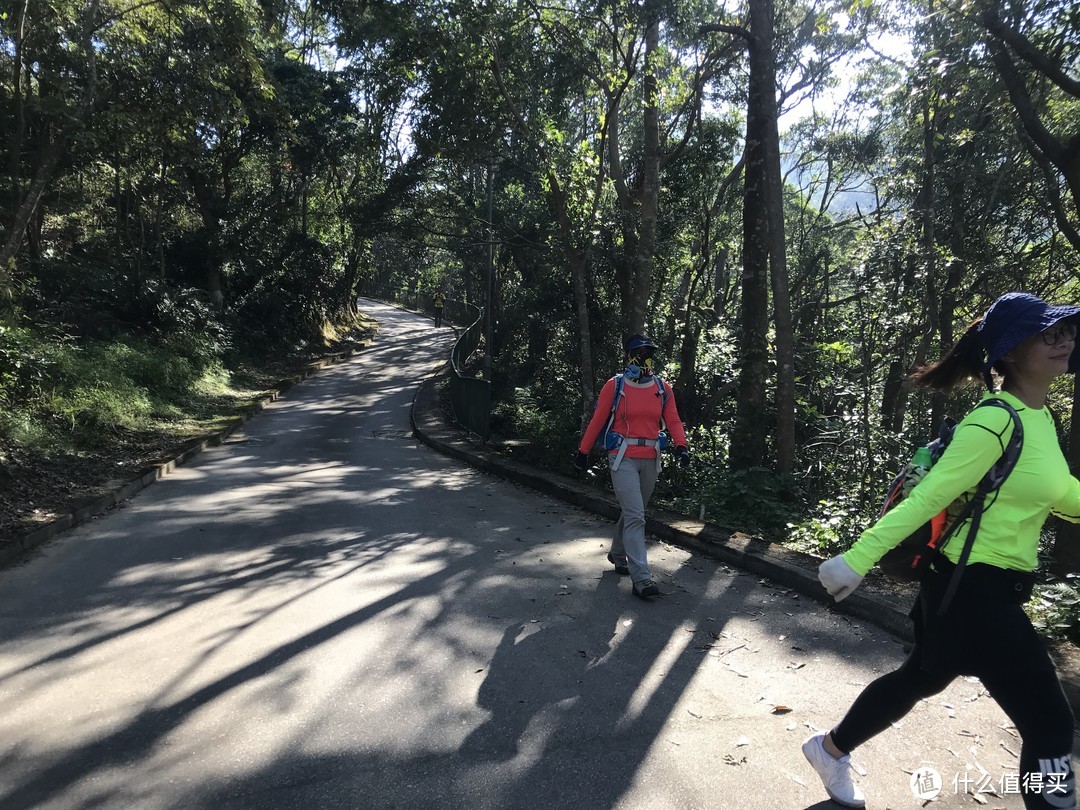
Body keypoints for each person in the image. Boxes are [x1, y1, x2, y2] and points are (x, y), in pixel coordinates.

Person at [803, 292, 1080, 809]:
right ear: (1011, 351)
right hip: (972, 590)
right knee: (1050, 723)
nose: (1063, 339)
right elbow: (933, 497)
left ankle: (828, 748)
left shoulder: (1040, 420)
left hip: (977, 589)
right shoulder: (994, 420)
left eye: (1066, 330)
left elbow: (1061, 493)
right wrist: (857, 559)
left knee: (923, 678)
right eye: (1048, 332)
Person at [574, 334, 691, 600]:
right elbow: (598, 420)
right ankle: (642, 578)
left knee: (632, 512)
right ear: (627, 354)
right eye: (638, 351)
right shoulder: (616, 386)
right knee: (637, 515)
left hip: (651, 455)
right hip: (622, 455)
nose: (643, 355)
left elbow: (672, 418)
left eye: (648, 350)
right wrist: (583, 452)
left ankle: (618, 554)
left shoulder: (662, 388)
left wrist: (681, 445)